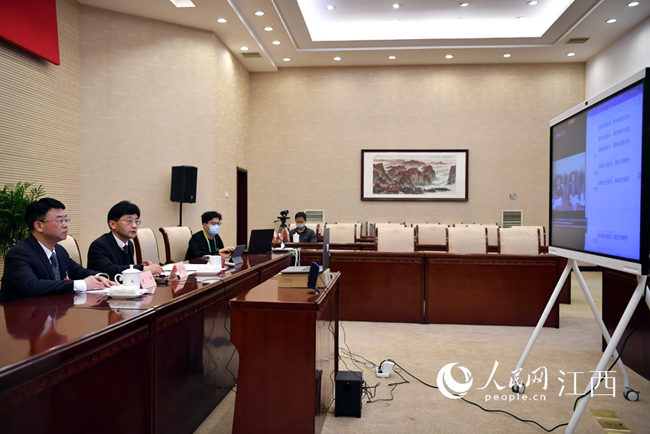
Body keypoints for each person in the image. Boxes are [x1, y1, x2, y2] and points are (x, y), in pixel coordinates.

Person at [0, 198, 114, 303]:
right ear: (39, 226)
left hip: (53, 312)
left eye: (66, 220)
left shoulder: (59, 251)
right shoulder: (19, 253)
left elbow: (80, 272)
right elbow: (31, 286)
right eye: (60, 221)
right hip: (24, 314)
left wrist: (99, 277)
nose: (65, 225)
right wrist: (82, 284)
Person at [87, 200, 164, 279]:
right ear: (113, 224)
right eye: (129, 221)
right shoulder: (99, 245)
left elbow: (123, 269)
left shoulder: (129, 244)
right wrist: (141, 268)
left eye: (136, 221)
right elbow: (108, 270)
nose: (134, 225)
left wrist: (140, 267)